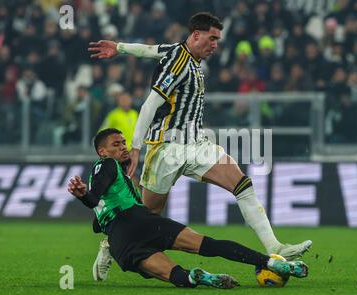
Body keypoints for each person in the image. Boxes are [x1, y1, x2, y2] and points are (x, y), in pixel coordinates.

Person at [88, 12, 312, 281]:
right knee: (146, 216)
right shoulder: (178, 62)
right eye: (212, 38)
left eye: (218, 39)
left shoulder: (178, 52)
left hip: (196, 144)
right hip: (166, 149)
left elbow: (150, 50)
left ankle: (275, 248)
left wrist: (121, 48)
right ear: (196, 35)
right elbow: (149, 105)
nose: (216, 44)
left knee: (242, 184)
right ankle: (110, 243)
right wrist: (136, 147)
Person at [67, 128, 309, 288]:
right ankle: (274, 263)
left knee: (176, 276)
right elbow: (94, 195)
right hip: (142, 222)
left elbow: (96, 216)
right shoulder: (107, 165)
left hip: (121, 243)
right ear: (102, 151)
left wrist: (84, 197)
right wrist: (85, 195)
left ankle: (199, 277)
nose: (123, 147)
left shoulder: (112, 178)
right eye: (116, 144)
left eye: (124, 143)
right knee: (208, 245)